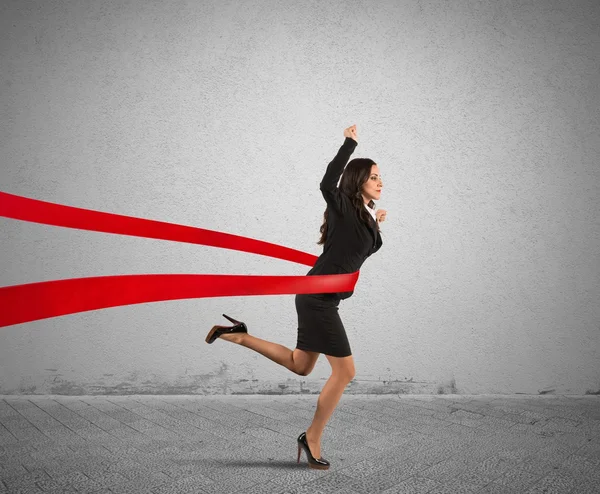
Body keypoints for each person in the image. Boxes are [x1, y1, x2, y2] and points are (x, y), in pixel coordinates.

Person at [205, 124, 385, 469]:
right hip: (316, 298)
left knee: (300, 365)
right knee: (345, 372)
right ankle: (312, 437)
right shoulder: (343, 208)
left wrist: (377, 223)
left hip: (323, 299)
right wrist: (349, 144)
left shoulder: (362, 218)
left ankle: (239, 335)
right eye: (374, 176)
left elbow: (362, 253)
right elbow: (326, 183)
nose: (380, 181)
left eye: (380, 177)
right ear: (358, 179)